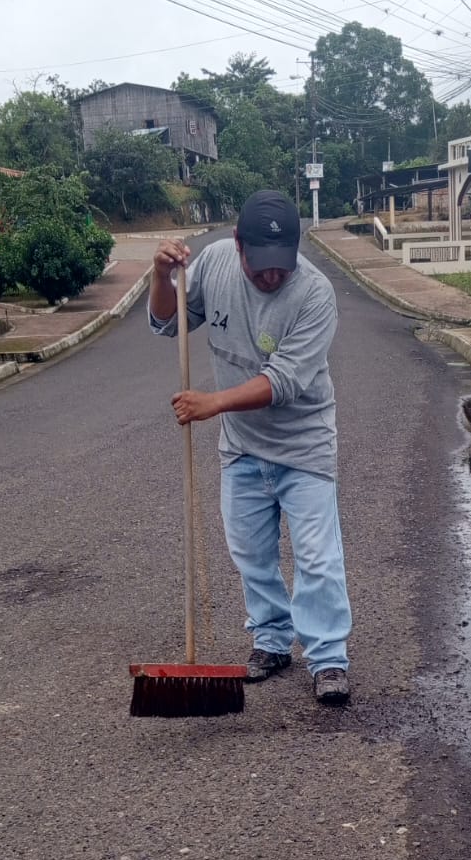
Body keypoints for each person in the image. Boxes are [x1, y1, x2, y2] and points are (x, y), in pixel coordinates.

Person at [148, 189, 351, 706]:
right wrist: (161, 278)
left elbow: (282, 381)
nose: (272, 276)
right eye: (261, 266)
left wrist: (212, 403)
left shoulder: (315, 294)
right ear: (238, 244)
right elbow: (170, 323)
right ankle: (272, 640)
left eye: (282, 265)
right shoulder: (215, 263)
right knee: (252, 555)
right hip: (242, 449)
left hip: (304, 446)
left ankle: (328, 658)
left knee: (317, 558)